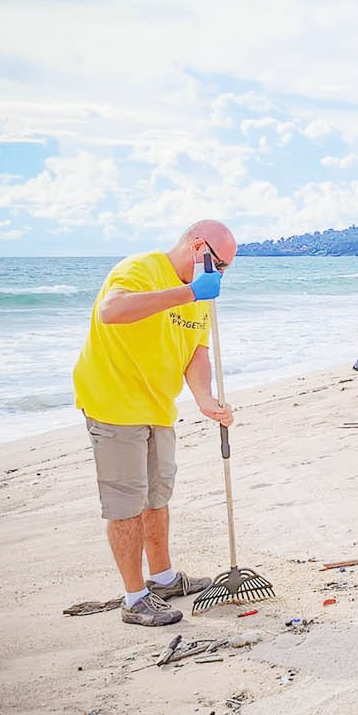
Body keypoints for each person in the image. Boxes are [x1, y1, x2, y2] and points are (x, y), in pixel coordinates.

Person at [71, 220, 238, 627]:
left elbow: (197, 352)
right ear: (199, 247)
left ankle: (162, 579)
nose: (222, 274)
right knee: (126, 506)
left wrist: (204, 399)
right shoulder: (141, 269)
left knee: (157, 498)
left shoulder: (201, 293)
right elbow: (113, 311)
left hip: (158, 406)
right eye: (221, 264)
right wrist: (189, 291)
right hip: (113, 403)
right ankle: (134, 599)